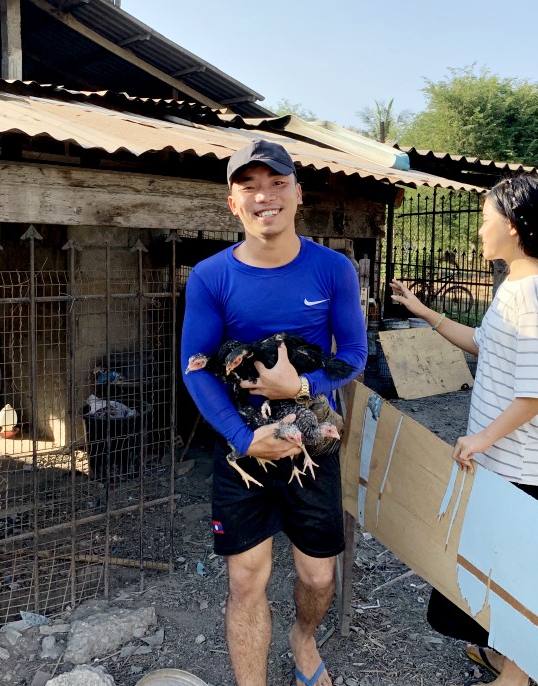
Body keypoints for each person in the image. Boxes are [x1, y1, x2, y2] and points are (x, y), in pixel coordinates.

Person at [181, 138, 367, 686]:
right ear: (232, 202)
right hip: (245, 446)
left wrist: (300, 385)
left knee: (317, 575)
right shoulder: (211, 277)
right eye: (250, 186)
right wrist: (242, 437)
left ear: (297, 193)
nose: (265, 196)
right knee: (245, 580)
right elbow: (197, 367)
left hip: (312, 436)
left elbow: (354, 355)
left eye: (277, 183)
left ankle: (303, 637)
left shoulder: (332, 269)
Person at [389, 175, 538, 686]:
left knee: (517, 579)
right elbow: (482, 343)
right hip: (501, 464)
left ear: (513, 228)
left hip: (521, 469)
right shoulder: (515, 283)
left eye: (485, 220)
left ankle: (516, 677)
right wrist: (423, 311)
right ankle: (504, 659)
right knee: (490, 570)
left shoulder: (533, 291)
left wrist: (482, 438)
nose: (479, 231)